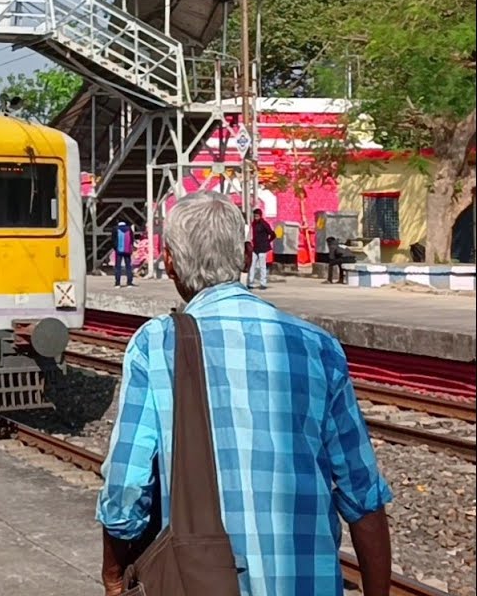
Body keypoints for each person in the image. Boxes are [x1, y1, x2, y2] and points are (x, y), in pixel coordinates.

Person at [96, 191, 393, 596]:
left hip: (199, 580)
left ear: (169, 263)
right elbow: (363, 495)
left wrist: (113, 575)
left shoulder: (156, 345)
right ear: (247, 252)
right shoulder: (318, 345)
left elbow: (126, 487)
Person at [247, 207, 275, 290]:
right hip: (255, 248)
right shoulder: (253, 224)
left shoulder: (264, 224)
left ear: (260, 216)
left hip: (263, 248)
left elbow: (273, 234)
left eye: (257, 216)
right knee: (252, 265)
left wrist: (267, 242)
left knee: (262, 266)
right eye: (255, 216)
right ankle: (250, 282)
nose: (256, 218)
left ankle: (263, 283)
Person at [112, 218, 134, 288]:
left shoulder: (115, 228)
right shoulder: (129, 229)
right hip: (127, 250)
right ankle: (129, 283)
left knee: (118, 267)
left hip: (119, 250)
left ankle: (117, 283)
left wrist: (115, 248)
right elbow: (132, 239)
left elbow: (113, 239)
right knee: (128, 267)